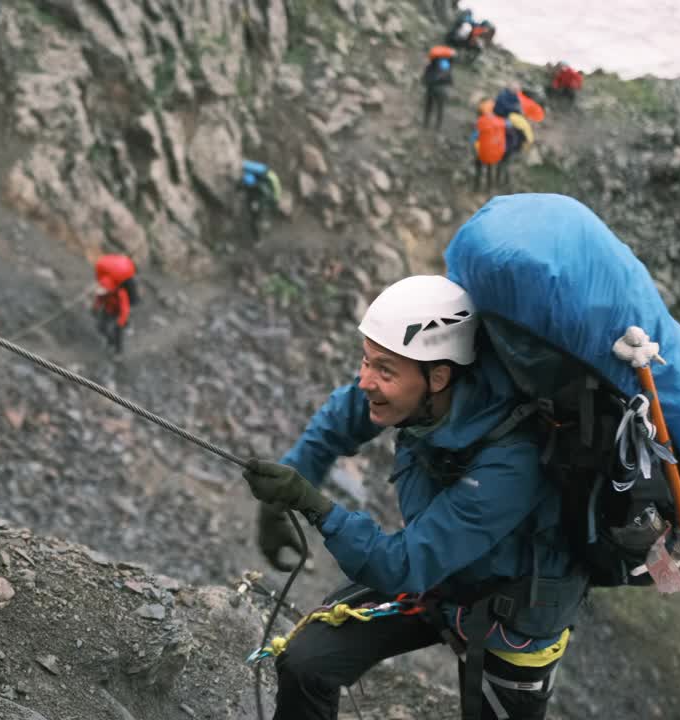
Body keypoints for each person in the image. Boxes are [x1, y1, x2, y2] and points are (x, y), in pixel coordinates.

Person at [243, 274, 577, 720]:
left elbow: (403, 567)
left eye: (384, 370)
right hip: (438, 583)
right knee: (308, 663)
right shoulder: (414, 393)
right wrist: (282, 493)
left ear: (438, 376)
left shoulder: (513, 461)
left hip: (512, 615)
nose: (365, 381)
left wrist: (311, 504)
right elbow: (343, 416)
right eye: (366, 361)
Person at [91, 254, 139, 355]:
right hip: (108, 310)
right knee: (101, 327)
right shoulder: (104, 292)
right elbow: (99, 300)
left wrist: (120, 322)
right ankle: (110, 341)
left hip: (118, 311)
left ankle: (118, 351)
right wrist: (95, 308)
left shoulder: (121, 293)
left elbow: (125, 310)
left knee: (118, 332)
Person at [240, 159, 282, 240]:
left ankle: (259, 235)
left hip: (260, 200)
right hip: (261, 198)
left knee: (256, 218)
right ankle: (260, 233)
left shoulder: (262, 185)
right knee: (256, 217)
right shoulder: (264, 180)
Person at [472, 100, 506, 191]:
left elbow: (474, 137)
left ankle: (476, 187)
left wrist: (475, 148)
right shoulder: (500, 123)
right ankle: (489, 187)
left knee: (478, 166)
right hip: (493, 151)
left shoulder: (481, 121)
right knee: (490, 168)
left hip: (482, 151)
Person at [422, 47, 455, 130]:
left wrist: (426, 81)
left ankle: (425, 124)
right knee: (440, 108)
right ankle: (438, 126)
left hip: (431, 88)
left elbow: (425, 76)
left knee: (429, 106)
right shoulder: (446, 65)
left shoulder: (431, 64)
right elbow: (449, 77)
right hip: (442, 89)